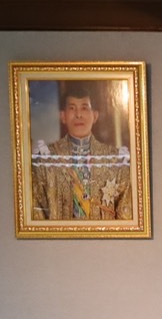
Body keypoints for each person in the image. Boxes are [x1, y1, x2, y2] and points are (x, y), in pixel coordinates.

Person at [30, 81, 133, 222]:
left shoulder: (116, 161)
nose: (78, 114)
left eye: (84, 108)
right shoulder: (45, 160)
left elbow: (126, 215)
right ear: (63, 116)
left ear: (95, 116)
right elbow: (36, 213)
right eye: (72, 108)